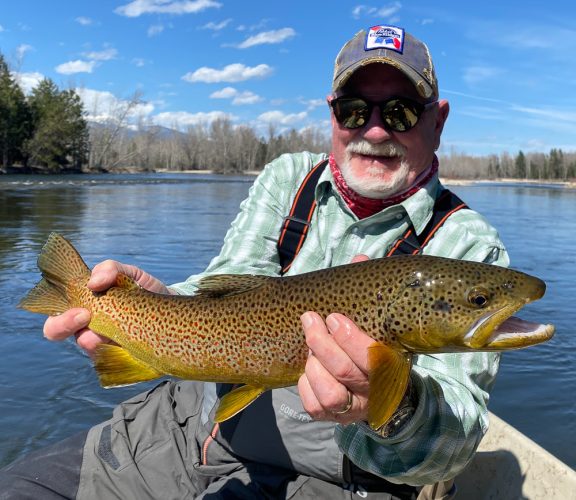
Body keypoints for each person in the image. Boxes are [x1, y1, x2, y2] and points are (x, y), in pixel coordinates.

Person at [1, 25, 508, 500]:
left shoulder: (468, 245)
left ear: (438, 121)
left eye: (399, 112)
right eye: (355, 110)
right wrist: (164, 303)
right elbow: (229, 285)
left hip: (333, 474)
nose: (374, 131)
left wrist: (397, 406)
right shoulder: (288, 179)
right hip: (193, 423)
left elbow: (454, 438)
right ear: (333, 113)